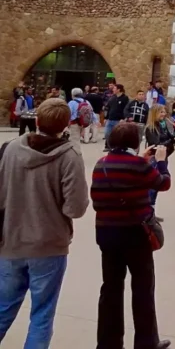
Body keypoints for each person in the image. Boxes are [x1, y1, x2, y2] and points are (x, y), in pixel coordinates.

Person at [0, 98, 89, 348]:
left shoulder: (10, 149)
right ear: (66, 125)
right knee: (42, 313)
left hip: (11, 241)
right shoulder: (69, 156)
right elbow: (76, 207)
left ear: (36, 120)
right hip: (49, 245)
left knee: (3, 307)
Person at [91, 123, 171, 349]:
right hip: (136, 233)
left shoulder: (101, 164)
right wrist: (162, 162)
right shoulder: (138, 165)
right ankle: (146, 342)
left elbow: (97, 198)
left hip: (108, 232)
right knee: (143, 288)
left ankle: (108, 343)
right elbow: (163, 183)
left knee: (111, 288)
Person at [144, 105, 175, 220]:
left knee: (157, 186)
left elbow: (169, 137)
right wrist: (173, 140)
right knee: (152, 186)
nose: (163, 114)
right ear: (154, 114)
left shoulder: (163, 125)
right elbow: (157, 144)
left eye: (164, 112)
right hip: (155, 157)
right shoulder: (150, 128)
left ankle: (151, 212)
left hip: (163, 156)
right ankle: (148, 213)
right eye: (161, 112)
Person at [104, 83, 129, 148]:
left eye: (114, 88)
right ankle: (109, 147)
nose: (113, 89)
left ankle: (117, 147)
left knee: (118, 135)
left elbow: (126, 109)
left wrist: (124, 118)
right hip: (110, 119)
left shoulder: (125, 98)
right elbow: (108, 108)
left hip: (118, 120)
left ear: (119, 90)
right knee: (107, 134)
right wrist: (105, 118)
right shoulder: (112, 98)